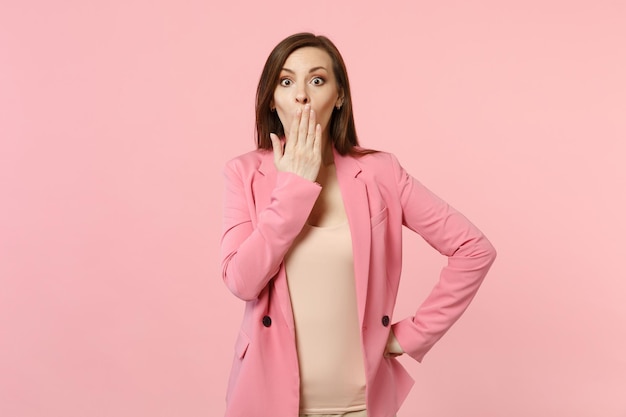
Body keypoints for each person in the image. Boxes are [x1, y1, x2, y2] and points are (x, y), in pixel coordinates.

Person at [220, 32, 497, 417]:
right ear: (272, 98)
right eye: (286, 82)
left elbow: (473, 249)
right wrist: (293, 187)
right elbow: (241, 280)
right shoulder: (245, 173)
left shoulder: (380, 173)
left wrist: (412, 335)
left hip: (360, 406)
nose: (301, 94)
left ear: (340, 97)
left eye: (317, 80)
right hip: (268, 404)